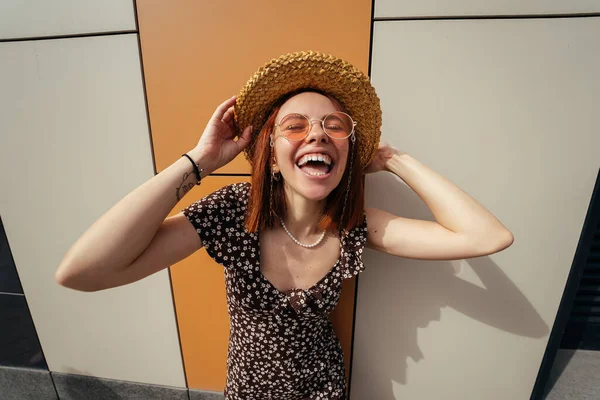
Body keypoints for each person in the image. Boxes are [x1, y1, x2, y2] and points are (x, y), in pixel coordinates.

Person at [55, 51, 514, 399]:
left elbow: (487, 236)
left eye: (334, 126)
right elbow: (83, 272)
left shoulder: (354, 226)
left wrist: (394, 159)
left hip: (326, 390)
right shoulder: (236, 213)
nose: (317, 134)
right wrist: (201, 162)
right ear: (271, 156)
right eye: (295, 126)